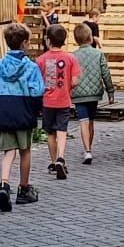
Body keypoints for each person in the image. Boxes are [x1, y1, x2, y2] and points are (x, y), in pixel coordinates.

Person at [0, 23, 45, 211]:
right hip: (23, 110)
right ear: (25, 43)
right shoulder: (31, 67)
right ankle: (24, 188)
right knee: (25, 150)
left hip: (4, 111)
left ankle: (4, 184)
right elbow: (37, 91)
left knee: (8, 152)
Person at [36, 24, 81, 180]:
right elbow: (75, 81)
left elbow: (38, 83)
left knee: (50, 133)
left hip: (48, 102)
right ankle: (61, 158)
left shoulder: (40, 60)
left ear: (48, 40)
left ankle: (54, 161)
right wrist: (67, 87)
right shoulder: (71, 58)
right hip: (63, 101)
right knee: (62, 130)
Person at [70, 22, 113, 164]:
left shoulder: (72, 56)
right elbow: (106, 73)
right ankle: (89, 148)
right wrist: (110, 91)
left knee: (83, 121)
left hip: (78, 94)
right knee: (91, 121)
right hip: (94, 94)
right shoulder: (98, 54)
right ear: (90, 38)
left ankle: (87, 150)